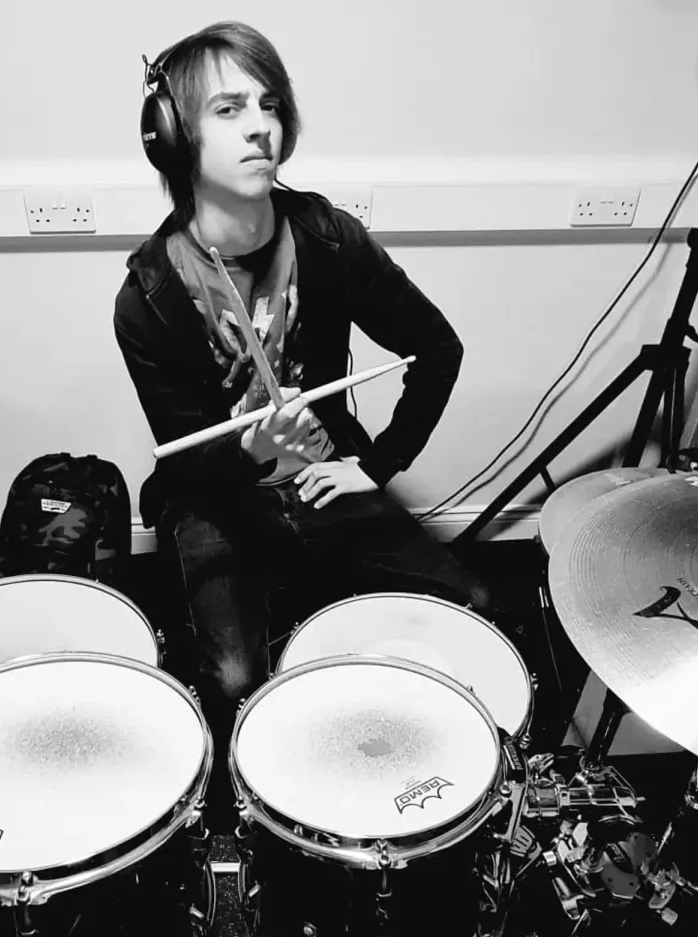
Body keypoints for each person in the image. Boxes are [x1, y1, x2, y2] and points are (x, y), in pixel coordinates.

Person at [114, 21, 491, 824]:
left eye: (270, 104)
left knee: (470, 606)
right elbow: (195, 464)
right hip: (218, 495)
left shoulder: (327, 239)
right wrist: (261, 472)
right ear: (171, 136)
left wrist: (375, 465)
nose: (261, 126)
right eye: (228, 109)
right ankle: (256, 820)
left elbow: (437, 348)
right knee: (236, 681)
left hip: (323, 469)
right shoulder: (148, 296)